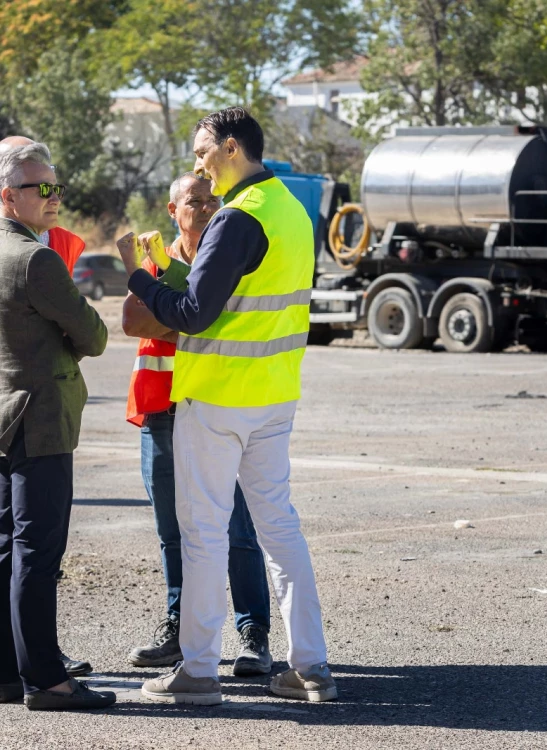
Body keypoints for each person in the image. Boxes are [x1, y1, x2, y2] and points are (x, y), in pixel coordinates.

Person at [118, 106, 336, 705]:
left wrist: (140, 276)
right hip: (274, 396)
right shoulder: (292, 209)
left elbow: (192, 314)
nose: (198, 166)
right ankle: (311, 667)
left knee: (204, 534)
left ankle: (197, 671)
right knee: (280, 529)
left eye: (201, 153)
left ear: (231, 149)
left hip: (217, 400)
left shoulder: (237, 218)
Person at [121, 172, 273, 675]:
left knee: (237, 529)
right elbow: (133, 322)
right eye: (195, 200)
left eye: (213, 199)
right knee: (172, 530)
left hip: (214, 407)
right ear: (172, 209)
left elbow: (205, 316)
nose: (206, 207)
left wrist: (180, 311)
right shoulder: (158, 258)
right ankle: (179, 630)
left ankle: (254, 635)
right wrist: (188, 313)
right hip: (160, 413)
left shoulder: (230, 254)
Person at [0, 143, 114, 710]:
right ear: (8, 196)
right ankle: (47, 680)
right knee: (37, 554)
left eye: (56, 185)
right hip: (40, 419)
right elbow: (93, 336)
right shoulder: (34, 259)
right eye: (40, 188)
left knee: (7, 548)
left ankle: (6, 669)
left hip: (4, 415)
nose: (54, 197)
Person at [0, 137, 85, 275]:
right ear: (10, 196)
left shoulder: (64, 242)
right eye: (43, 189)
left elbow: (63, 296)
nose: (56, 200)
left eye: (56, 189)